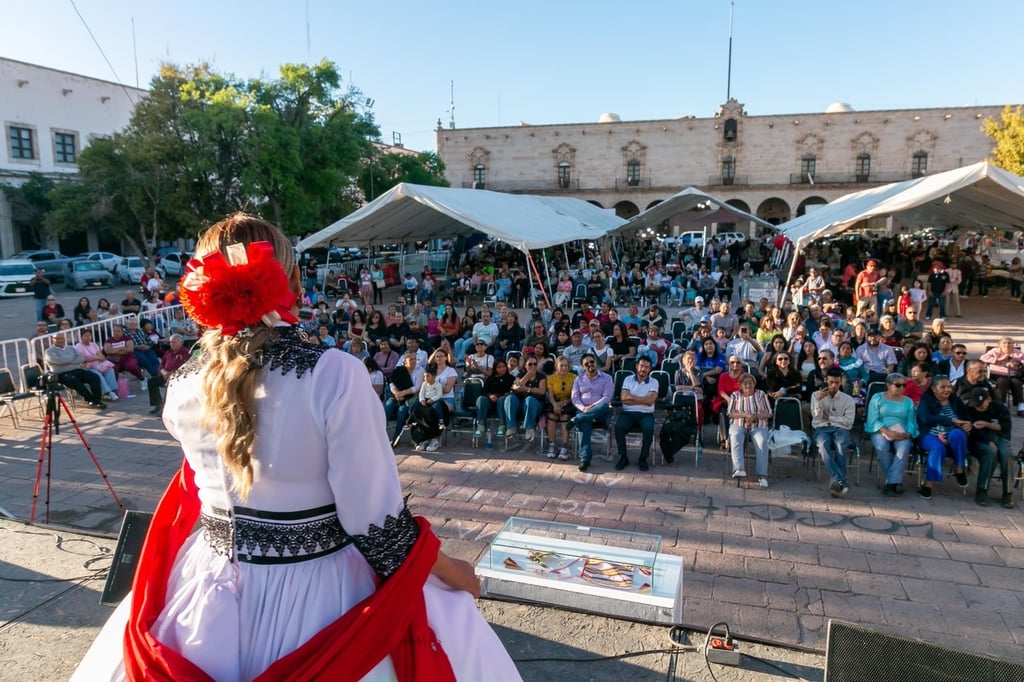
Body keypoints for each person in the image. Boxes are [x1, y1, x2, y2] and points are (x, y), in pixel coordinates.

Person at [73, 215, 519, 682]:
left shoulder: (183, 381)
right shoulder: (334, 375)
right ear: (292, 282)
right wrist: (453, 572)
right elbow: (377, 526)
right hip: (321, 591)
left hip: (202, 587)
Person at [916, 376, 971, 499]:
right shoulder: (926, 399)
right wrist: (950, 420)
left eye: (949, 387)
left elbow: (966, 418)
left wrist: (967, 425)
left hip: (952, 435)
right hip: (930, 434)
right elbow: (925, 419)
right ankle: (928, 484)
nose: (947, 390)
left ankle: (959, 469)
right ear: (934, 389)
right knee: (938, 448)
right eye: (943, 387)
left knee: (958, 434)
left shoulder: (955, 400)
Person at [866, 372, 919, 496]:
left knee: (904, 449)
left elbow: (911, 421)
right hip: (880, 429)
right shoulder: (877, 398)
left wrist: (908, 434)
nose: (901, 388)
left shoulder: (908, 402)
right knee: (882, 447)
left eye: (903, 385)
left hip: (902, 430)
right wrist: (887, 432)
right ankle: (895, 481)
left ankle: (890, 483)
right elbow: (872, 419)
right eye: (898, 385)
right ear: (888, 385)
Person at [811, 367, 857, 497]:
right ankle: (841, 480)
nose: (834, 386)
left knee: (841, 446)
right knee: (823, 445)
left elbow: (848, 421)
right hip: (822, 427)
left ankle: (836, 481)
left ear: (841, 382)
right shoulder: (816, 395)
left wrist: (830, 418)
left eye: (837, 383)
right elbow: (817, 416)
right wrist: (819, 401)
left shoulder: (848, 399)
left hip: (840, 428)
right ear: (826, 380)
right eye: (831, 382)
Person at [726, 373, 772, 488]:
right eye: (745, 383)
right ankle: (739, 468)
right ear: (740, 385)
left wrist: (755, 417)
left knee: (762, 441)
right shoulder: (735, 395)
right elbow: (730, 413)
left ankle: (762, 475)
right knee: (736, 436)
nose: (748, 385)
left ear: (755, 384)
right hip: (738, 424)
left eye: (751, 382)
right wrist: (746, 415)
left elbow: (769, 413)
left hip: (758, 425)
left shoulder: (761, 394)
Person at [613, 356, 658, 472]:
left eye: (646, 367)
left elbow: (650, 401)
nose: (643, 369)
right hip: (628, 413)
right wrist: (643, 399)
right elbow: (623, 398)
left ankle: (643, 458)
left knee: (649, 428)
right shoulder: (628, 379)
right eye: (642, 366)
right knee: (618, 427)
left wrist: (632, 399)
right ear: (637, 366)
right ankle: (623, 457)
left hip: (646, 414)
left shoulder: (654, 382)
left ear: (650, 369)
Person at [570, 354, 614, 472]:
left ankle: (576, 419)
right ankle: (585, 459)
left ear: (596, 363)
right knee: (585, 423)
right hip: (584, 411)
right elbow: (575, 398)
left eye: (592, 362)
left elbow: (607, 397)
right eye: (586, 363)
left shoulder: (607, 378)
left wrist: (592, 407)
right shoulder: (578, 379)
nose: (590, 365)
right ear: (583, 367)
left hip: (601, 413)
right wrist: (584, 409)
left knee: (604, 406)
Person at [42, 333, 108, 409]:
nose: (60, 340)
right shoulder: (49, 351)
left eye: (62, 338)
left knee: (94, 377)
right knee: (74, 380)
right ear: (52, 340)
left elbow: (81, 358)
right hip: (62, 374)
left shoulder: (70, 348)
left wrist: (66, 360)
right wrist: (73, 357)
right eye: (57, 339)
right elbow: (59, 361)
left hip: (77, 370)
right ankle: (90, 400)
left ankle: (97, 400)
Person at [504, 355, 547, 442]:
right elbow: (515, 387)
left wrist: (527, 389)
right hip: (521, 404)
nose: (533, 366)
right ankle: (511, 427)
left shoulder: (541, 376)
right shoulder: (520, 375)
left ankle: (529, 428)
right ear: (525, 365)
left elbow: (542, 391)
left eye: (535, 364)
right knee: (510, 398)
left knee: (530, 400)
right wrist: (528, 375)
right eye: (530, 364)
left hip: (536, 404)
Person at [147, 334, 191, 416]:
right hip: (165, 374)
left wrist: (171, 373)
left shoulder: (185, 352)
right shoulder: (168, 352)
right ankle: (158, 405)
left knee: (170, 385)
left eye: (174, 342)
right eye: (171, 342)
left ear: (181, 343)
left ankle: (165, 409)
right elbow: (161, 365)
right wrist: (164, 373)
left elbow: (184, 366)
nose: (172, 344)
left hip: (178, 376)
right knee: (151, 382)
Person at [979, 337, 1024, 416]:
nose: (1007, 345)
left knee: (1017, 383)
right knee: (1002, 382)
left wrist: (1016, 364)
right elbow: (982, 358)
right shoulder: (995, 351)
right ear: (999, 345)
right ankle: (1002, 405)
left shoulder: (1017, 352)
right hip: (997, 373)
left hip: (1013, 374)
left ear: (1013, 345)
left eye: (1009, 343)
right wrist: (998, 360)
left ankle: (1020, 407)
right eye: (1004, 343)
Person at [74, 329, 119, 402]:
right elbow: (83, 360)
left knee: (110, 370)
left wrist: (98, 357)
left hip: (98, 365)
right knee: (97, 374)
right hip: (86, 367)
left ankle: (113, 390)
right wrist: (96, 358)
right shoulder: (78, 347)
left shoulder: (94, 344)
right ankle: (107, 392)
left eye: (89, 335)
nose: (88, 337)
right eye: (85, 335)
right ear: (81, 337)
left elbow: (101, 355)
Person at [544, 356, 576, 459]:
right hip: (554, 401)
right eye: (561, 365)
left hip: (568, 401)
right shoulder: (551, 379)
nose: (564, 368)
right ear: (556, 367)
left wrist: (565, 402)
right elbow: (550, 396)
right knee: (551, 416)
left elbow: (574, 395)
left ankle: (564, 447)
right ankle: (552, 445)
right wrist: (555, 404)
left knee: (564, 417)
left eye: (566, 365)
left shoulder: (574, 377)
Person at [474, 358, 514, 439]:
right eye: (499, 367)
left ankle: (502, 425)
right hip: (490, 402)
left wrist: (508, 394)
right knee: (481, 399)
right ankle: (480, 425)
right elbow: (484, 391)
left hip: (503, 403)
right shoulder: (490, 378)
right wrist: (490, 396)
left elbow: (514, 390)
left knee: (502, 400)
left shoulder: (511, 378)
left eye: (503, 366)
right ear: (495, 368)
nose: (502, 368)